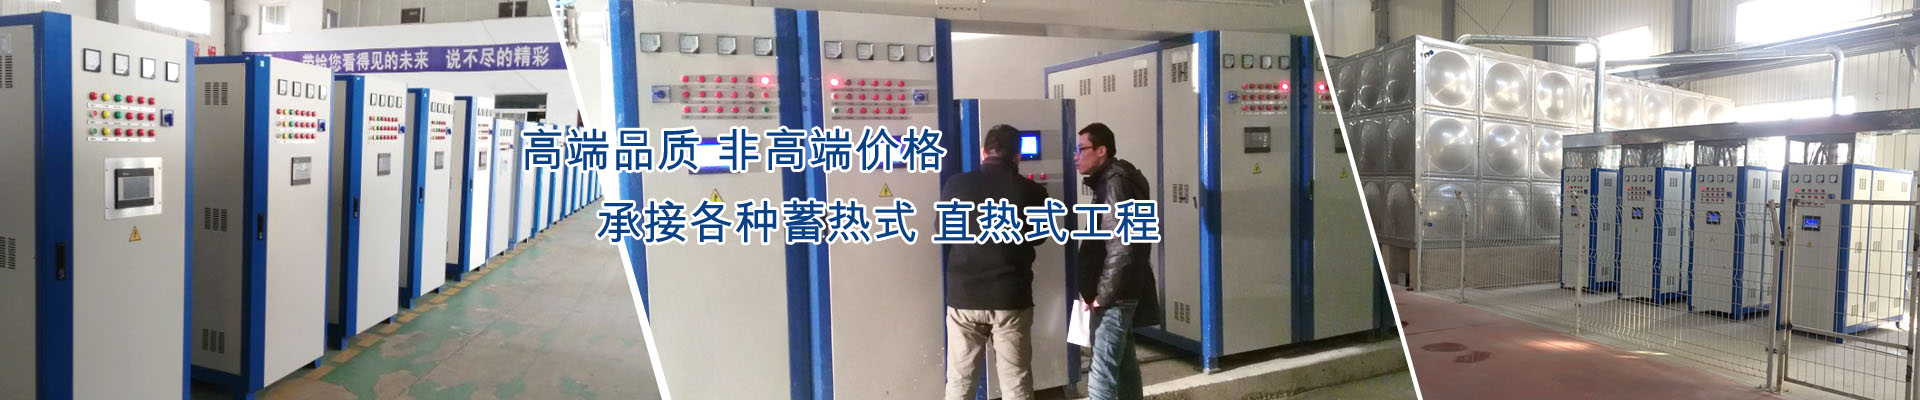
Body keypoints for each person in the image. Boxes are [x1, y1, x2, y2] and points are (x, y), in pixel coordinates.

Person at [942, 124, 1050, 400]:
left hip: (964, 298)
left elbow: (942, 230)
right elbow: (1039, 237)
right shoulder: (1033, 192)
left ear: (983, 152)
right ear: (1018, 156)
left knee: (960, 382)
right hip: (1010, 298)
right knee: (1016, 383)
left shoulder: (956, 184)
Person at [1074, 122, 1159, 400]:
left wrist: (1102, 296)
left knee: (1102, 375)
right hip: (1121, 291)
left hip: (1115, 296)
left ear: (1101, 150)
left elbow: (1122, 247)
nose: (1076, 156)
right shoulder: (1115, 180)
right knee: (1123, 368)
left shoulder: (1115, 184)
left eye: (1081, 149)